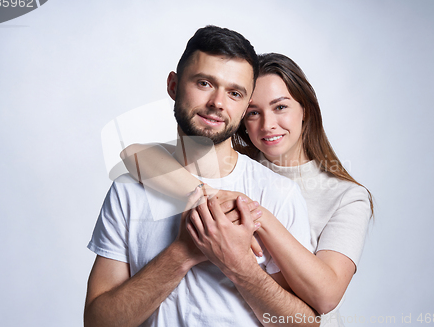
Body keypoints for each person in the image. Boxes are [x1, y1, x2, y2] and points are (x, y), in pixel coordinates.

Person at [84, 26, 320, 327]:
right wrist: (183, 253)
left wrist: (238, 265)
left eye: (234, 93)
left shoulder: (277, 193)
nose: (218, 103)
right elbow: (98, 323)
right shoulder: (128, 190)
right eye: (205, 83)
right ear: (173, 85)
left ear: (245, 106)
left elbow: (305, 324)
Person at [121, 53, 374, 326]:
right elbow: (134, 154)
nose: (267, 125)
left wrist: (257, 214)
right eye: (253, 112)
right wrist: (210, 197)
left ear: (306, 111)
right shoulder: (235, 167)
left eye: (280, 107)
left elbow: (325, 297)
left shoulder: (345, 197)